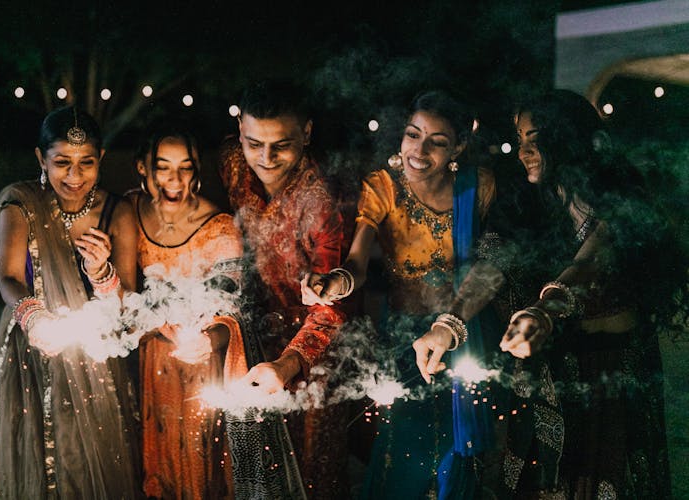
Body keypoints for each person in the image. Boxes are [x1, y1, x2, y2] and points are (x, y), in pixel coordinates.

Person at [302, 90, 505, 498]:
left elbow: (493, 261)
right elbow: (357, 264)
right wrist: (334, 283)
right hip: (404, 339)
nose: (420, 149)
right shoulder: (382, 187)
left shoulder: (477, 187)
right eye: (413, 134)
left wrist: (451, 322)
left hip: (464, 330)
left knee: (457, 450)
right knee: (405, 453)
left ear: (458, 148)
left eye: (438, 141)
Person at [501, 89, 672, 498]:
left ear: (565, 136)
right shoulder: (540, 199)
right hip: (563, 367)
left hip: (614, 369)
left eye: (534, 138)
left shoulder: (619, 194)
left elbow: (592, 257)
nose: (524, 151)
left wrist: (546, 306)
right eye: (520, 139)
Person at [0, 106, 140, 498]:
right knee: (40, 453)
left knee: (93, 456)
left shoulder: (117, 212)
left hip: (97, 358)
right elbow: (8, 276)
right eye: (61, 163)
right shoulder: (20, 204)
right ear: (41, 158)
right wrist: (35, 318)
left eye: (86, 163)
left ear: (101, 159)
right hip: (32, 349)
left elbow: (127, 302)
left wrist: (101, 273)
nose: (74, 176)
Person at [219, 79, 348, 499]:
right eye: (254, 143)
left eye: (282, 144)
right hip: (249, 342)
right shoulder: (232, 163)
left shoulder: (322, 202)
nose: (266, 158)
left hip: (310, 356)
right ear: (240, 133)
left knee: (311, 475)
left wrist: (290, 364)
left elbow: (331, 308)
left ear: (307, 133)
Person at [130, 123, 249, 499]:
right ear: (143, 168)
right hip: (150, 359)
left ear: (196, 170)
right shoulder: (129, 211)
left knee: (197, 463)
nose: (174, 178)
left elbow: (230, 302)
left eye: (185, 166)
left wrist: (205, 341)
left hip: (198, 362)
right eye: (163, 166)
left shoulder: (219, 227)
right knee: (152, 463)